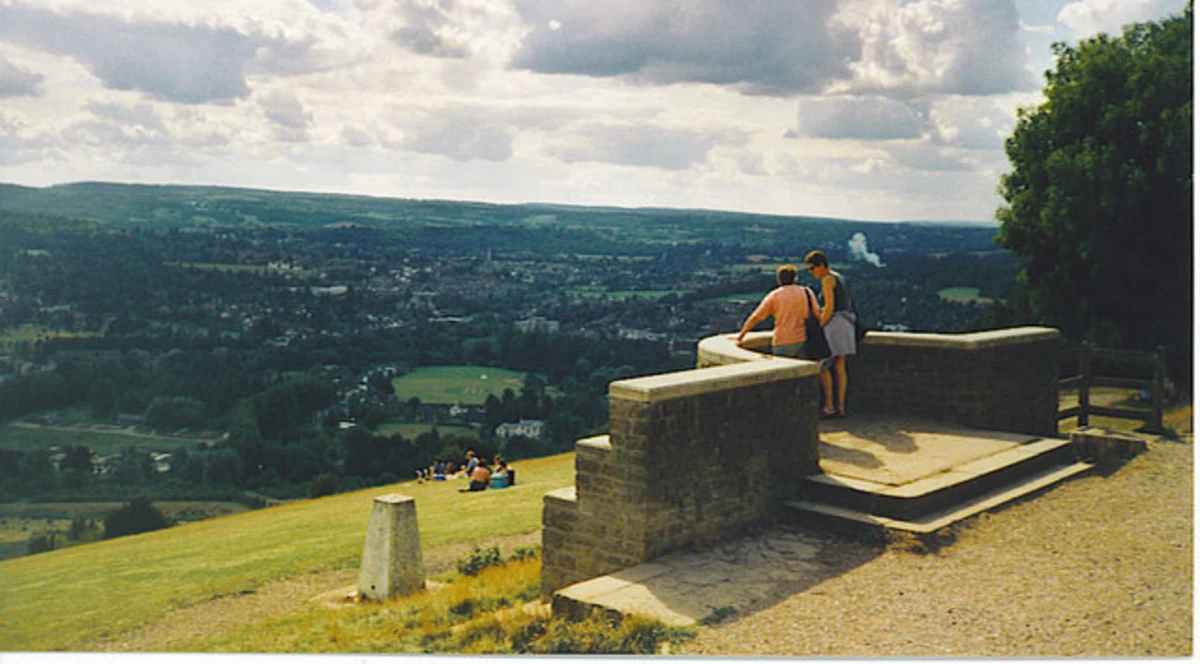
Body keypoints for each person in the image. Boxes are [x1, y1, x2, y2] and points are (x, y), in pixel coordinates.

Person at [804, 250, 857, 418]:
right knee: (840, 366)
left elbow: (829, 307)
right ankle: (841, 407)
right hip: (847, 324)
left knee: (823, 364)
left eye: (812, 268)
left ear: (821, 265)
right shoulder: (839, 277)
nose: (811, 272)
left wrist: (819, 326)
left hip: (835, 324)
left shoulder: (827, 279)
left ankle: (829, 406)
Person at [734, 264, 817, 359]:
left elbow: (756, 317)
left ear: (779, 279)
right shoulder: (807, 292)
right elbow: (817, 314)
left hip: (782, 341)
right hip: (804, 340)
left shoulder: (775, 295)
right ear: (795, 278)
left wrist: (741, 336)